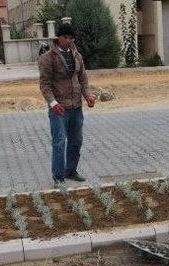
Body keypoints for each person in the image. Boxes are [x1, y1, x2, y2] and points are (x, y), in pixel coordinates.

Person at [38, 23, 96, 187]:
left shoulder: (77, 56)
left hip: (76, 107)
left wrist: (88, 95)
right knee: (59, 142)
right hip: (59, 108)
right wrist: (53, 103)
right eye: (65, 37)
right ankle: (58, 177)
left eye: (71, 38)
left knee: (76, 141)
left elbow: (83, 79)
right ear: (58, 38)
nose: (68, 41)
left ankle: (71, 171)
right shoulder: (47, 58)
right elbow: (45, 85)